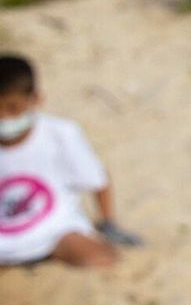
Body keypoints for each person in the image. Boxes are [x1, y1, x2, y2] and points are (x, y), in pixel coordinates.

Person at [0, 54, 139, 269]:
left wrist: (107, 223)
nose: (3, 117)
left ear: (35, 99)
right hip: (4, 243)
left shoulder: (61, 133)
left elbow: (98, 180)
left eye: (12, 108)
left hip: (57, 232)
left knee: (101, 259)